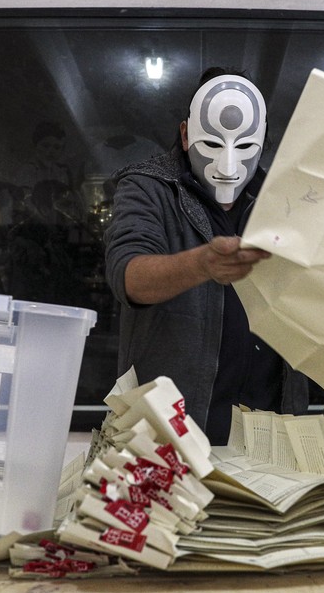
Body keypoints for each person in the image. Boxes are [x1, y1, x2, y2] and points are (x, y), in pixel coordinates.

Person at [103, 68, 312, 445]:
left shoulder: (283, 199)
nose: (229, 167)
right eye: (212, 145)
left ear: (263, 141)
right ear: (185, 134)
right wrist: (202, 264)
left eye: (246, 147)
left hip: (269, 432)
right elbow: (128, 275)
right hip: (170, 438)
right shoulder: (149, 188)